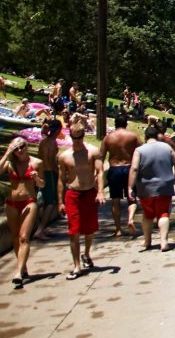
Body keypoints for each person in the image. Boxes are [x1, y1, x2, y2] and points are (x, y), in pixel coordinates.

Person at [57, 122, 106, 280]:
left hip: (89, 193)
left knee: (89, 229)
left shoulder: (93, 151)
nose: (77, 141)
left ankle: (86, 253)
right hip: (73, 194)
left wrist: (100, 192)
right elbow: (61, 179)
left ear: (83, 136)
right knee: (74, 231)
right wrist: (60, 202)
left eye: (80, 137)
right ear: (70, 136)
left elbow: (99, 172)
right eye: (74, 138)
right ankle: (76, 266)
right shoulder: (65, 156)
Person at [129, 125, 175, 251]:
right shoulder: (166, 147)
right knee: (163, 213)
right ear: (157, 136)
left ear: (146, 137)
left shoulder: (139, 150)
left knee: (148, 214)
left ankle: (147, 241)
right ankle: (164, 242)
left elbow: (134, 168)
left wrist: (130, 186)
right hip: (165, 185)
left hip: (145, 187)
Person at [2, 137, 44, 287]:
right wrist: (7, 153)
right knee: (15, 237)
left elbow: (42, 184)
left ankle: (19, 272)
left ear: (27, 147)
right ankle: (23, 266)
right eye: (17, 148)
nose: (20, 150)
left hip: (29, 202)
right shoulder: (10, 163)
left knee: (24, 237)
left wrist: (36, 178)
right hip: (11, 203)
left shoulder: (36, 163)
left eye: (22, 147)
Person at [99, 114, 142, 237]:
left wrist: (98, 173)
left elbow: (101, 156)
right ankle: (130, 219)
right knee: (131, 197)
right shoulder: (133, 136)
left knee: (115, 200)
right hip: (129, 168)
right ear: (126, 123)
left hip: (114, 169)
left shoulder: (108, 138)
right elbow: (142, 152)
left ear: (116, 124)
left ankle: (118, 229)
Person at [35, 120, 61, 237]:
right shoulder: (52, 143)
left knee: (44, 201)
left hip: (42, 172)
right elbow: (50, 160)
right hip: (49, 172)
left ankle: (42, 227)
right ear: (59, 130)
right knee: (51, 202)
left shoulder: (43, 141)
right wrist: (59, 172)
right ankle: (40, 229)